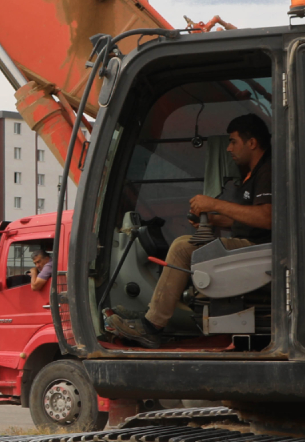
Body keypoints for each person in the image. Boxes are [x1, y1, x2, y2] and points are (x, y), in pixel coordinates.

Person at [110, 113, 272, 348]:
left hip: (262, 250)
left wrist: (214, 204)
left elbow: (268, 217)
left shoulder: (268, 170)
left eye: (233, 141)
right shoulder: (253, 174)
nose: (228, 148)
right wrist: (215, 220)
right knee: (187, 245)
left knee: (183, 247)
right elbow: (250, 219)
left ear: (252, 143)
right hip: (254, 247)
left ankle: (152, 326)